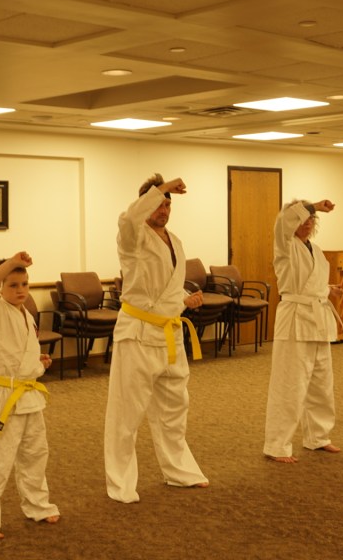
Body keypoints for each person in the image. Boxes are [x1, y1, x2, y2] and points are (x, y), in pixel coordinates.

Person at [104, 173, 208, 503]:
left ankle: (179, 471)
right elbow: (128, 218)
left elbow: (166, 287)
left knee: (175, 407)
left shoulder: (174, 241)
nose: (163, 210)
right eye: (158, 203)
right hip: (137, 333)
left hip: (170, 333)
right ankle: (121, 484)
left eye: (167, 205)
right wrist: (161, 187)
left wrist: (185, 300)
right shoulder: (132, 236)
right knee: (127, 413)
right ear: (145, 203)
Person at [0, 252, 59, 539]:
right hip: (3, 395)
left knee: (35, 453)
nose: (20, 290)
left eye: (24, 284)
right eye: (13, 285)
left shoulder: (26, 314)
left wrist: (36, 362)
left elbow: (17, 351)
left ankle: (38, 505)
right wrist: (9, 263)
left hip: (29, 393)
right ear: (1, 287)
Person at [263, 199, 343, 463]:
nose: (307, 223)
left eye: (311, 219)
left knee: (321, 382)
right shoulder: (284, 245)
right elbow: (283, 223)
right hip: (295, 319)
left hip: (318, 320)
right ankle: (277, 444)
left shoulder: (316, 250)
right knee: (290, 384)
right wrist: (313, 205)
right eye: (302, 218)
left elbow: (310, 282)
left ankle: (318, 436)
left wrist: (327, 290)